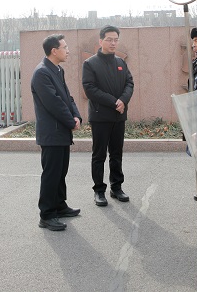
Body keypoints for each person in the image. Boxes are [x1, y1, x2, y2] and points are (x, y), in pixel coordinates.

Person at [31, 34, 82, 231]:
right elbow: (54, 103)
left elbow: (67, 98)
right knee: (51, 174)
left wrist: (76, 116)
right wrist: (70, 122)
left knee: (61, 172)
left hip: (61, 132)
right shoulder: (42, 73)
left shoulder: (57, 70)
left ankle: (60, 205)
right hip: (51, 133)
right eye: (65, 47)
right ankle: (47, 215)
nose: (68, 51)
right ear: (54, 51)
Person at [82, 25, 134, 207]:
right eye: (109, 39)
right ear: (101, 41)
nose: (113, 43)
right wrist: (114, 102)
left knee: (116, 154)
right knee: (99, 155)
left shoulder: (121, 62)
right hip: (100, 117)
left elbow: (129, 83)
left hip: (119, 116)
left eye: (115, 40)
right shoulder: (90, 64)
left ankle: (116, 187)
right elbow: (90, 89)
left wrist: (123, 100)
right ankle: (99, 190)